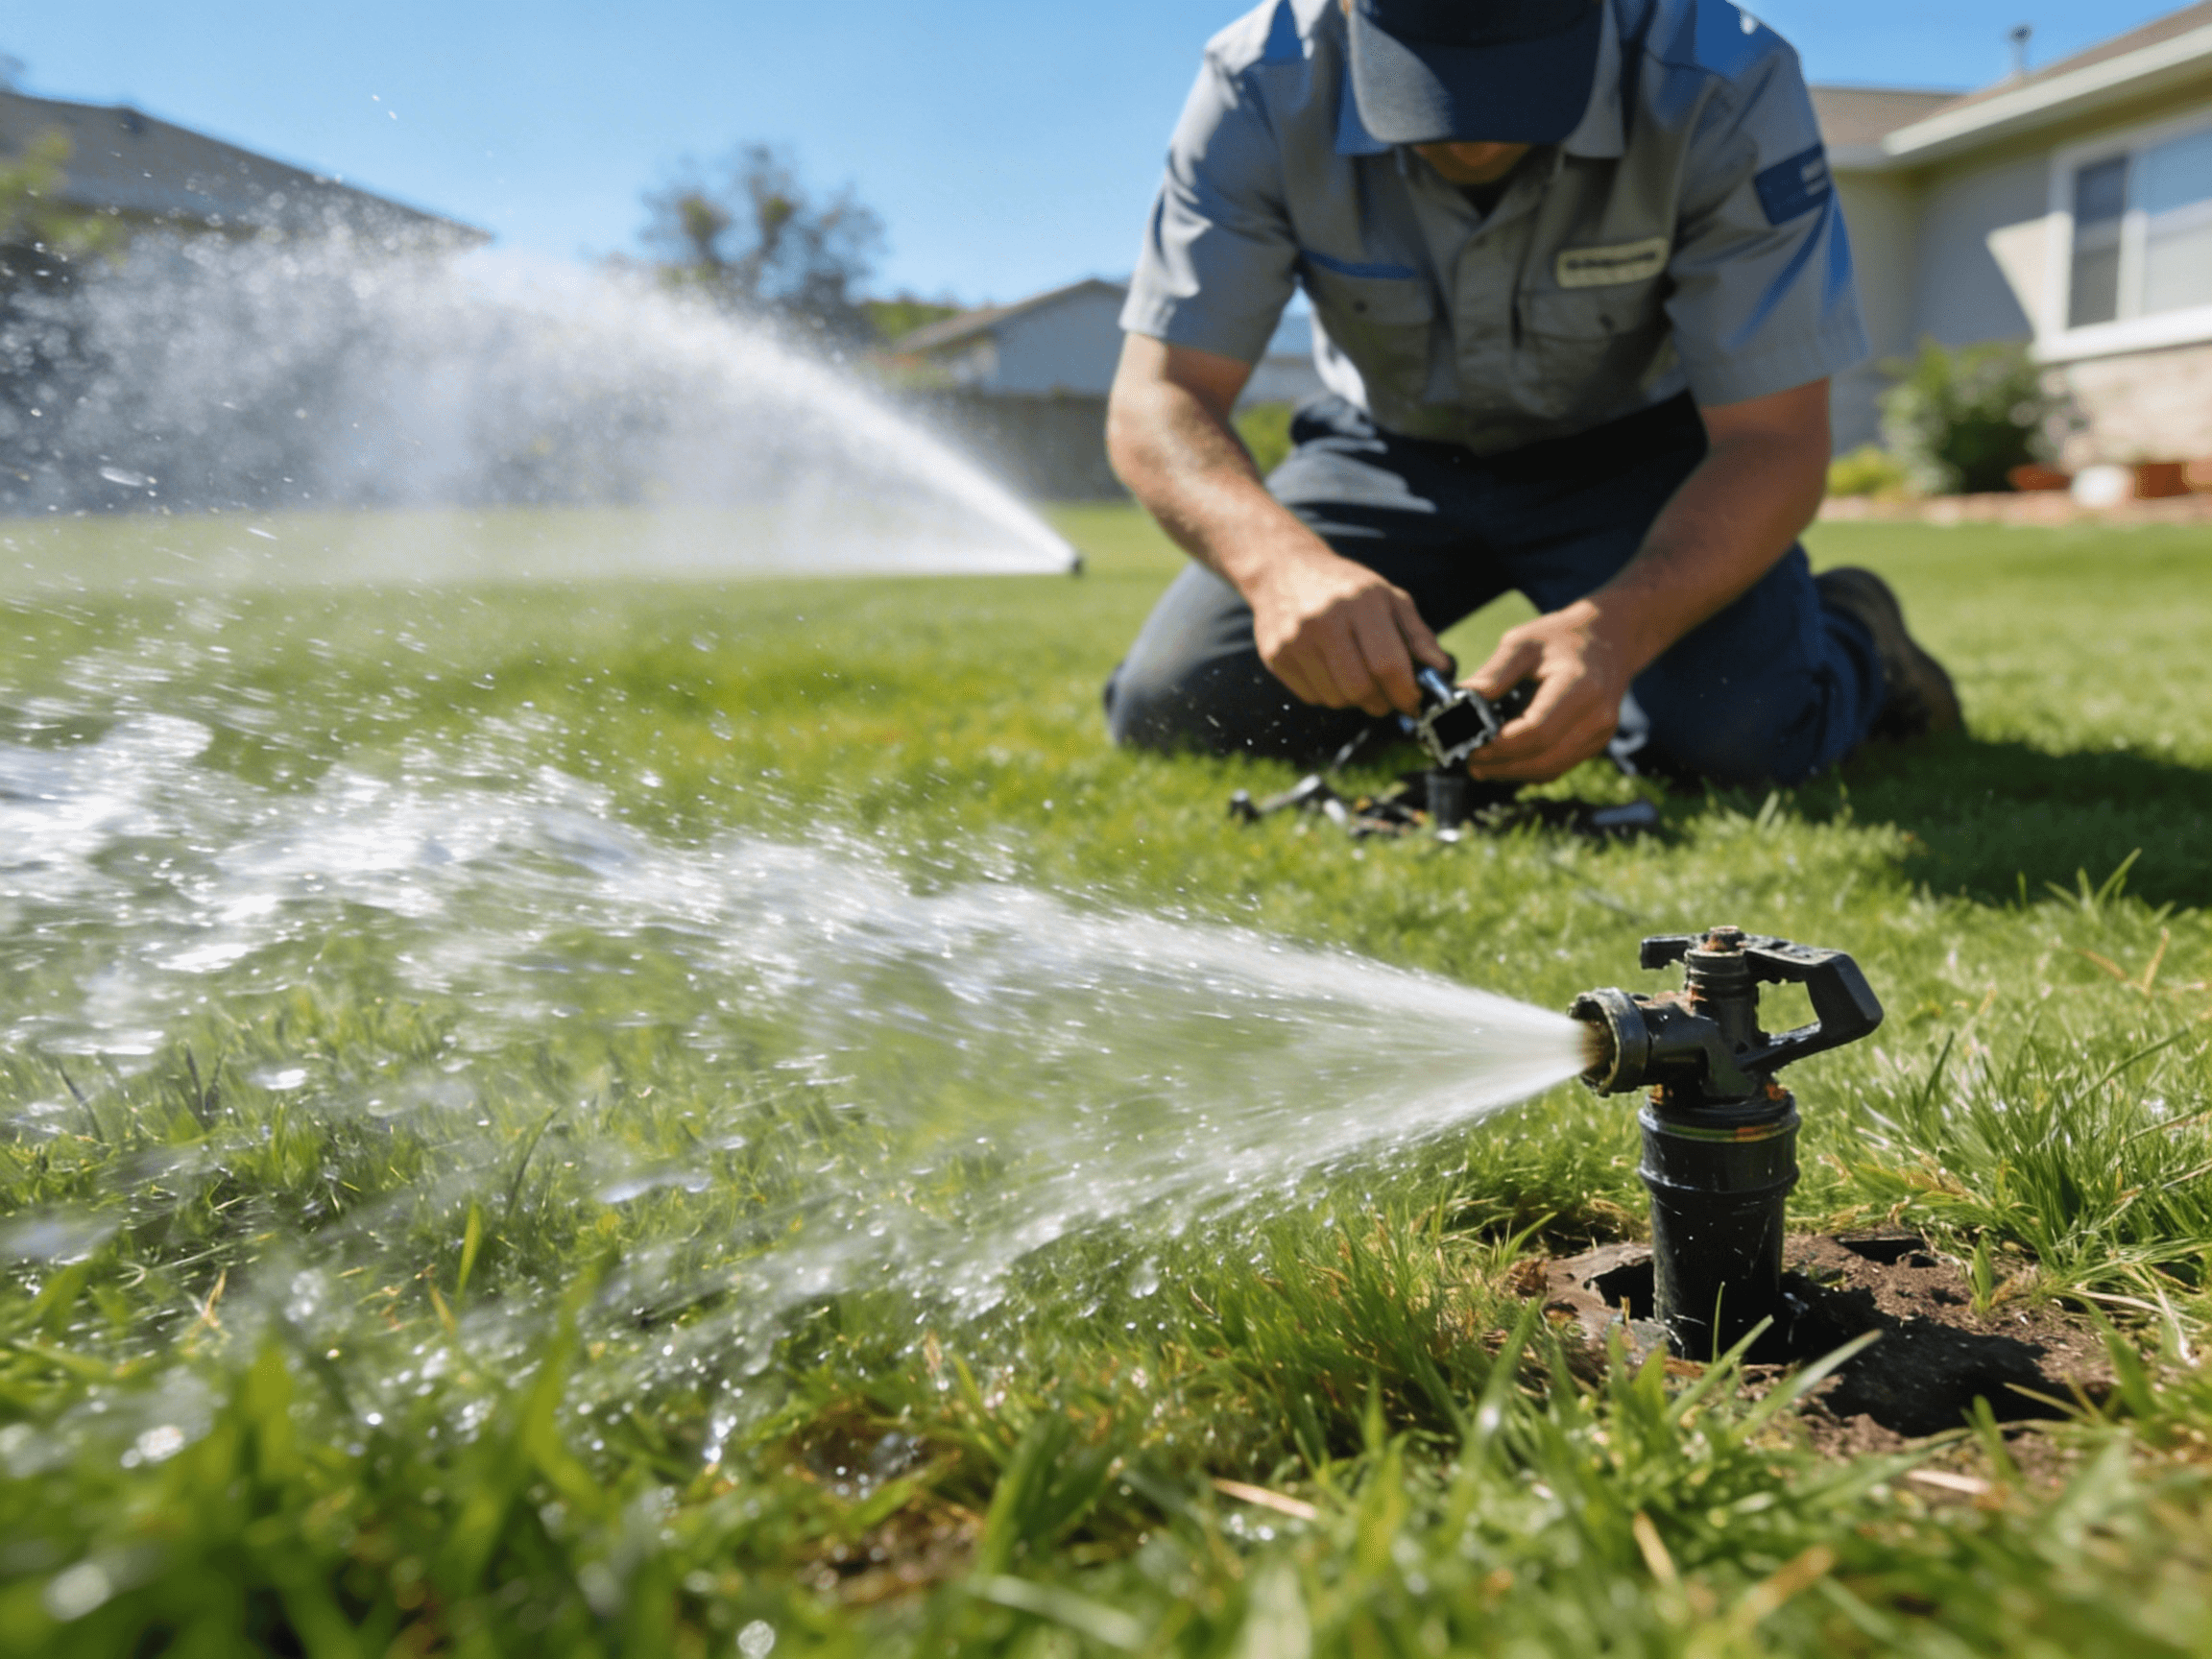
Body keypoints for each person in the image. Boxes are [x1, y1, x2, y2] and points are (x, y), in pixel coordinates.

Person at [1101, 0, 1960, 787]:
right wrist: (1280, 566)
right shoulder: (1258, 83)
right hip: (1383, 454)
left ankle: (1856, 631)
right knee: (1177, 710)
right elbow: (1161, 396)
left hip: (1640, 456)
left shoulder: (1722, 84)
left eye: (1516, 79)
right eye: (1429, 81)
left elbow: (1776, 440)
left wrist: (1620, 626)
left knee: (1734, 742)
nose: (1474, 139)